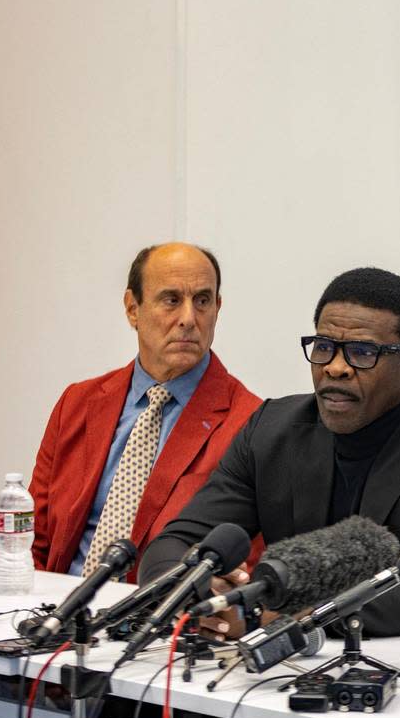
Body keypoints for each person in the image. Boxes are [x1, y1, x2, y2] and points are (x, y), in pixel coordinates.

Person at [139, 267, 400, 640]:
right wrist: (204, 597)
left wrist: (271, 614)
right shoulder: (271, 430)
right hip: (292, 672)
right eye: (324, 347)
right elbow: (173, 546)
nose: (335, 367)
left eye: (362, 352)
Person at [30, 242, 260, 579]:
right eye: (171, 300)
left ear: (217, 309)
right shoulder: (78, 403)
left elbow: (242, 564)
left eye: (202, 301)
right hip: (62, 606)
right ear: (132, 309)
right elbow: (30, 540)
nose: (188, 319)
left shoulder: (249, 422)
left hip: (160, 618)